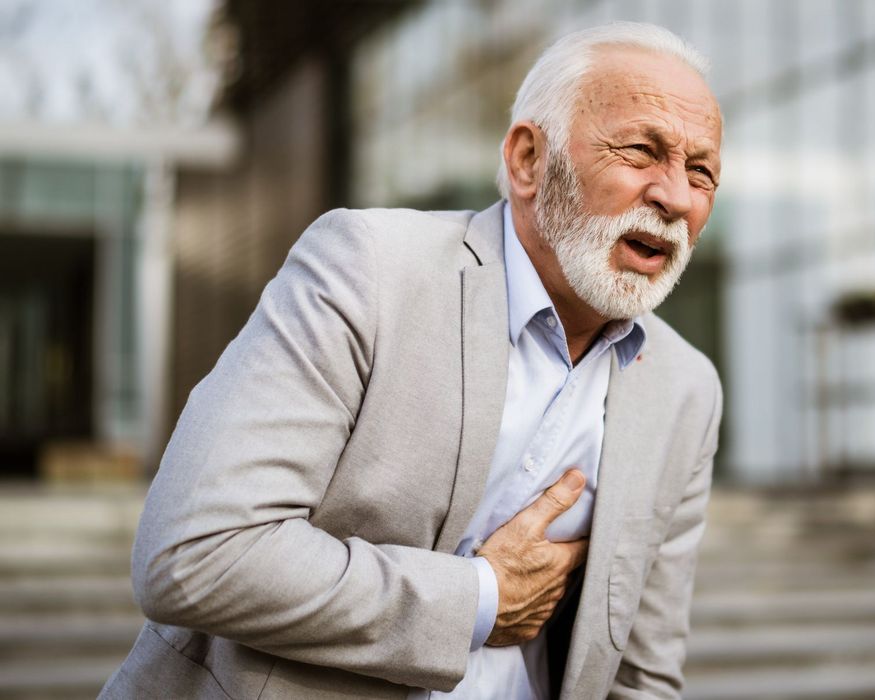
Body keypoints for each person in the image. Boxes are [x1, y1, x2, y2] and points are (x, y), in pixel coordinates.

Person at [102, 20, 722, 700]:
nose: (676, 197)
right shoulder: (367, 269)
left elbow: (641, 674)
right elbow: (192, 554)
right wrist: (480, 597)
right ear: (527, 160)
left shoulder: (686, 388)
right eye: (640, 152)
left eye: (701, 172)